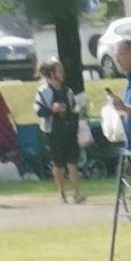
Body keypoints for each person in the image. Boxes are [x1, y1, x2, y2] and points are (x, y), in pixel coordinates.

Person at [35, 59, 84, 203]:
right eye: (59, 70)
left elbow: (73, 108)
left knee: (72, 162)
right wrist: (52, 109)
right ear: (52, 73)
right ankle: (61, 193)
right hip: (53, 132)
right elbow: (38, 111)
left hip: (69, 130)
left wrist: (77, 113)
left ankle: (76, 193)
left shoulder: (67, 91)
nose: (63, 73)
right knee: (58, 164)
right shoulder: (43, 91)